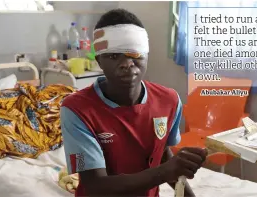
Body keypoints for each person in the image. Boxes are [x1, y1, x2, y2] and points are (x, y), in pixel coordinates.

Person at [60, 8, 208, 197]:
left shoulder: (169, 100)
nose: (127, 63)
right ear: (99, 61)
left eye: (135, 54)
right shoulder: (76, 109)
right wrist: (167, 171)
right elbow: (94, 185)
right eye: (114, 56)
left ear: (146, 55)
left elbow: (162, 153)